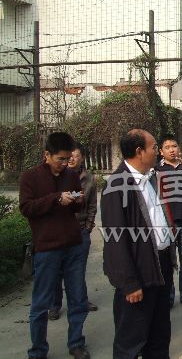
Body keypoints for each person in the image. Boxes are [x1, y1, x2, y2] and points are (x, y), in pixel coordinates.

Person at [101, 129, 176, 359]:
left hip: (161, 266)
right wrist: (129, 283)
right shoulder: (117, 185)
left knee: (159, 334)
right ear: (139, 151)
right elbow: (116, 241)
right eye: (154, 147)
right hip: (139, 274)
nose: (158, 151)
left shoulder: (151, 177)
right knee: (131, 341)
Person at [20, 132, 90, 359]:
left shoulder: (71, 176)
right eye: (61, 159)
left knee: (77, 299)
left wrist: (77, 200)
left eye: (68, 158)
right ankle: (38, 349)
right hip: (47, 248)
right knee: (41, 303)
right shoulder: (30, 177)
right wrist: (56, 199)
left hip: (73, 245)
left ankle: (76, 342)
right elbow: (26, 208)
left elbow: (76, 208)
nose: (65, 163)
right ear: (47, 155)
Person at [49, 144, 98, 321]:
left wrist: (89, 225)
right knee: (56, 270)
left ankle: (80, 301)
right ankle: (54, 305)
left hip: (80, 229)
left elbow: (92, 205)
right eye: (68, 156)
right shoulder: (56, 176)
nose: (71, 159)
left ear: (82, 158)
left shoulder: (89, 179)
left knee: (78, 270)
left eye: (75, 156)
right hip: (59, 229)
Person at [155, 134, 182, 308]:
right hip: (167, 223)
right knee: (168, 263)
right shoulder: (157, 170)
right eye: (167, 147)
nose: (172, 150)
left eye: (174, 146)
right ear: (161, 151)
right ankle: (168, 295)